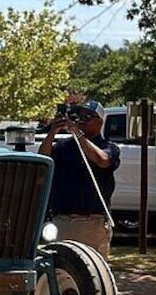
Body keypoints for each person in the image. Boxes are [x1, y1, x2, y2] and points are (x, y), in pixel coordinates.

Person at [38, 99, 120, 258]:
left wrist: (79, 135)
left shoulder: (109, 147)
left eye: (87, 117)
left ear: (99, 122)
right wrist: (52, 132)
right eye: (78, 116)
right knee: (61, 269)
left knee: (90, 272)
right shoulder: (63, 146)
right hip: (62, 220)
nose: (80, 121)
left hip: (91, 222)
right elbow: (43, 159)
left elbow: (102, 160)